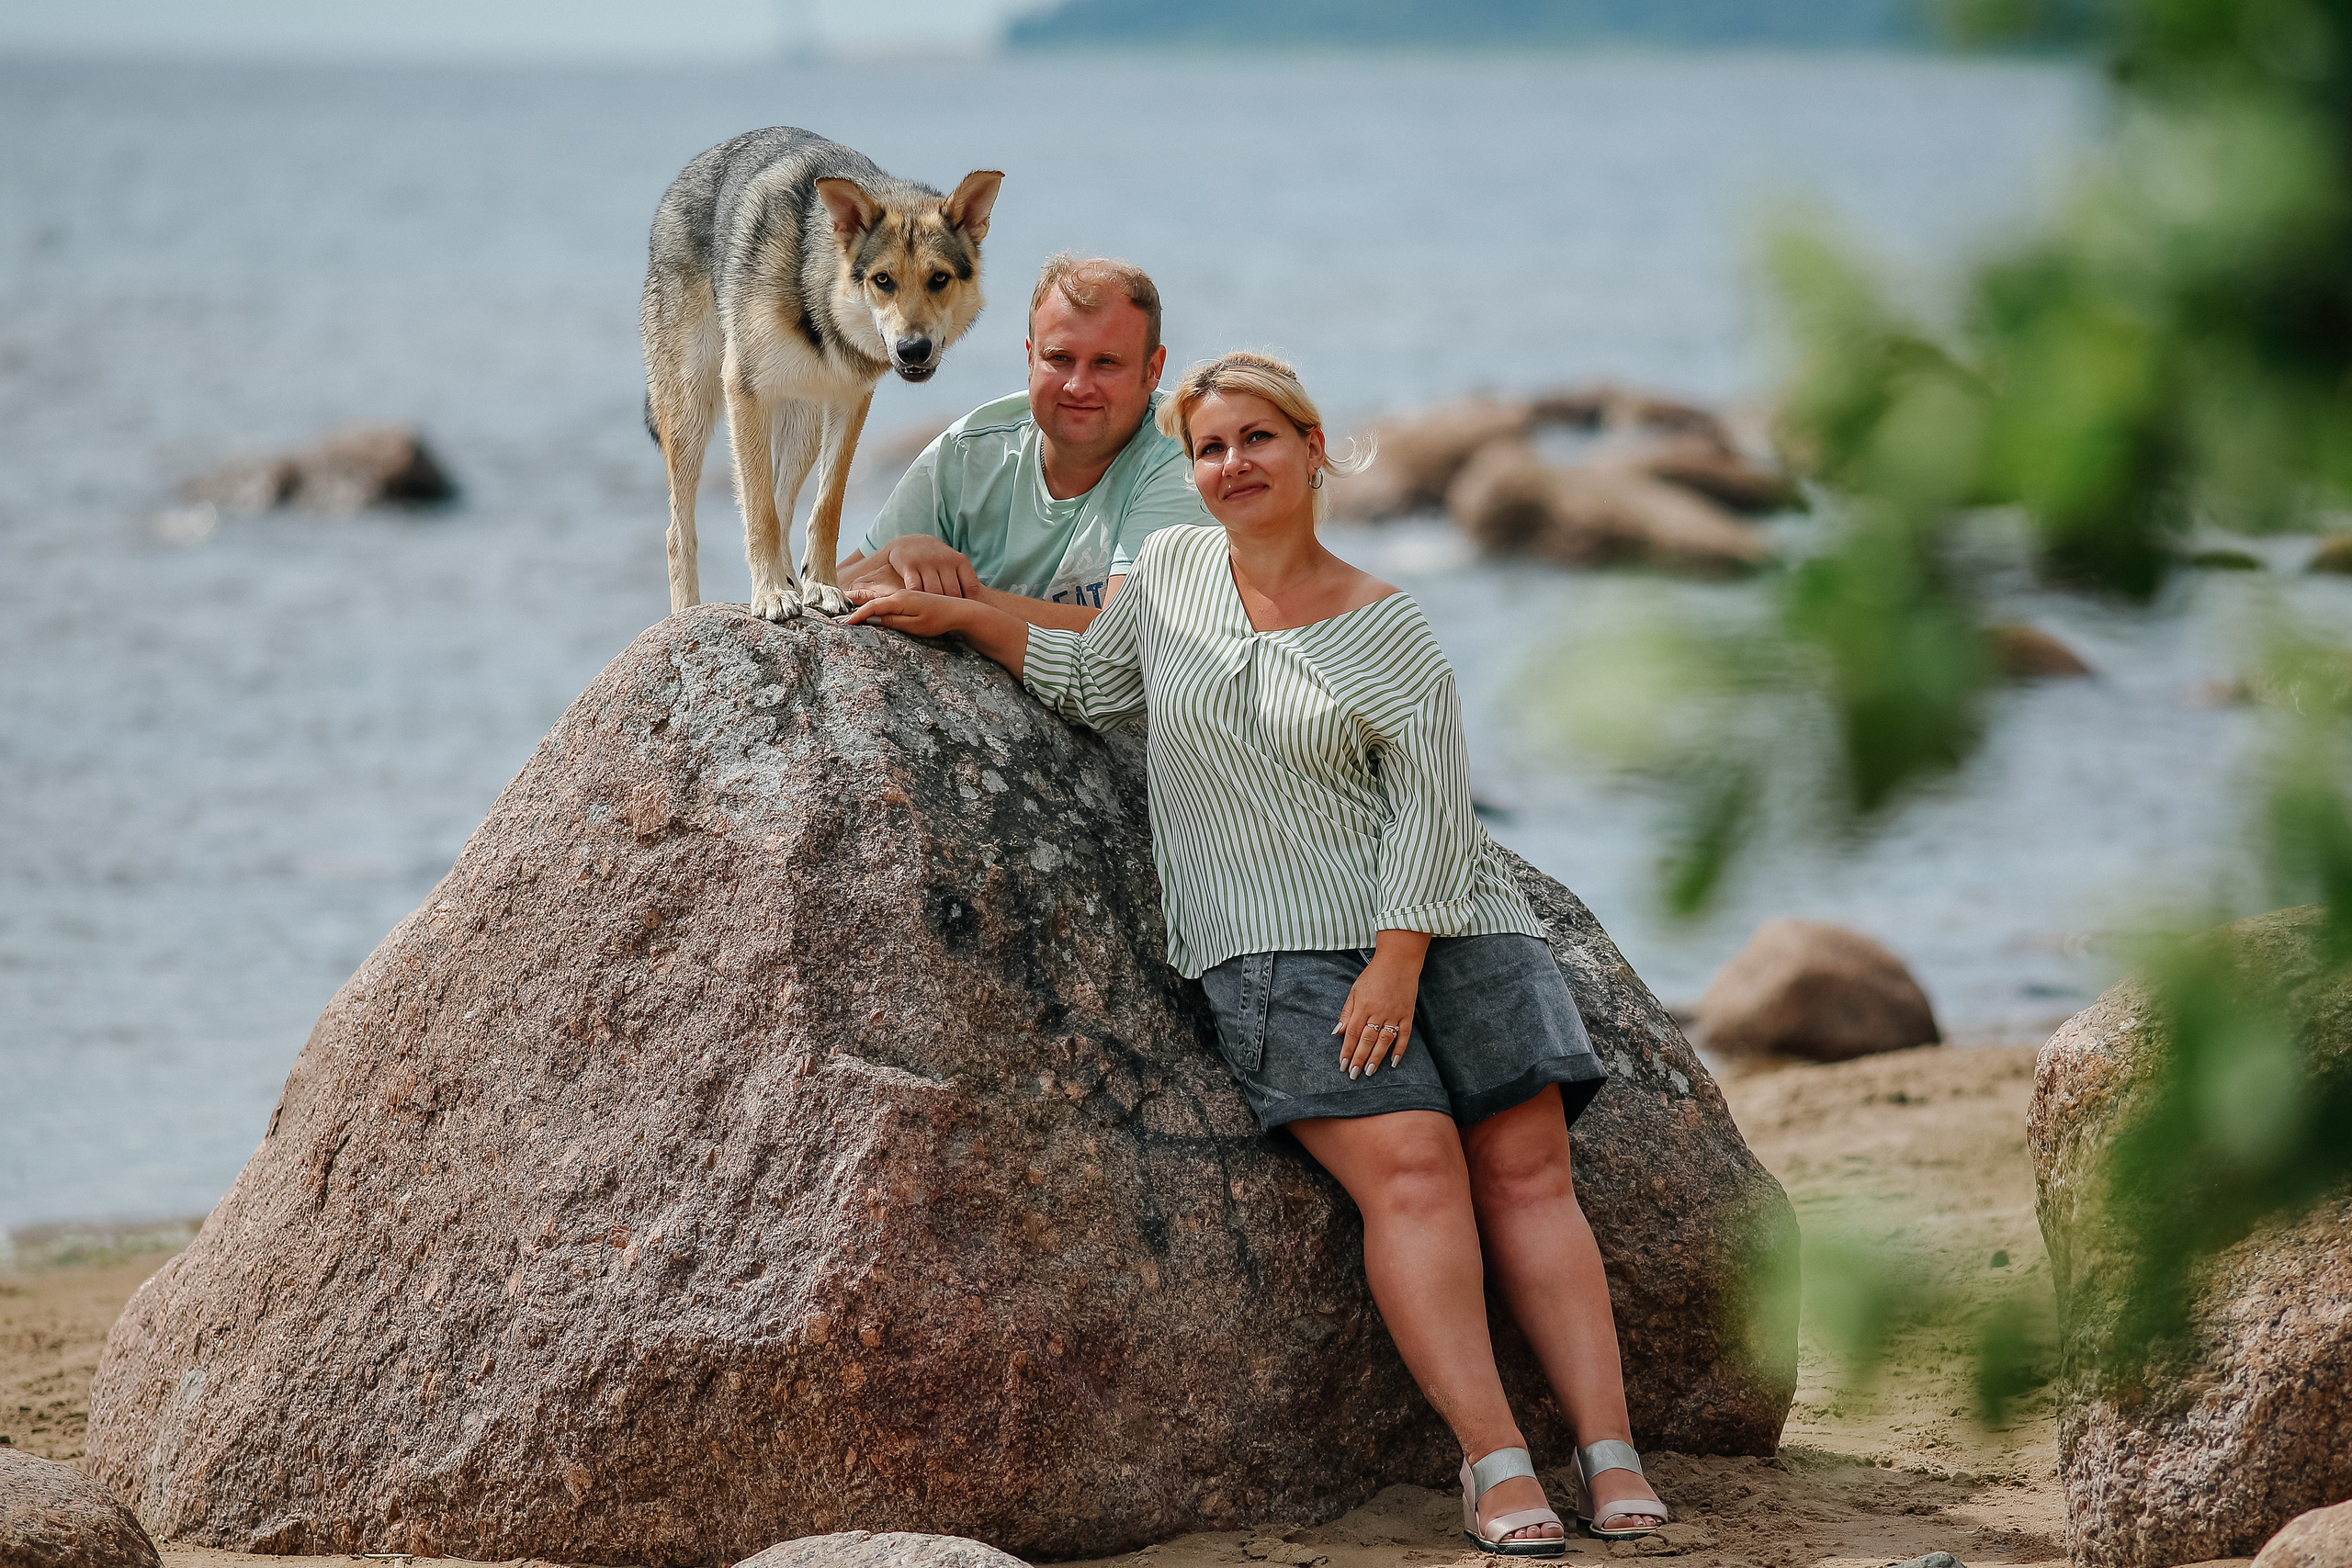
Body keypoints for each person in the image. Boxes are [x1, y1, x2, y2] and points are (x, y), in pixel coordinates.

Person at [845, 350, 1672, 1555]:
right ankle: (1495, 1461)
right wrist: (965, 616)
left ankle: (1613, 1451)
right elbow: (1091, 672)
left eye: (1257, 439)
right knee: (1414, 1170)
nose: (1233, 464)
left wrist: (1397, 961)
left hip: (1449, 921)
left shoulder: (1388, 621)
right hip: (1267, 940)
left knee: (1526, 1168)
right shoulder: (1173, 573)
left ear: (1313, 448)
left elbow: (1438, 811)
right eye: (1209, 448)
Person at [836, 252, 1212, 630]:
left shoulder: (1190, 453)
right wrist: (895, 553)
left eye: (1106, 363)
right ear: (1031, 359)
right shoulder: (965, 453)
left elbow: (1126, 635)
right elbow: (830, 588)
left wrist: (963, 602)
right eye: (1060, 358)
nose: (1078, 386)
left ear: (1153, 370)